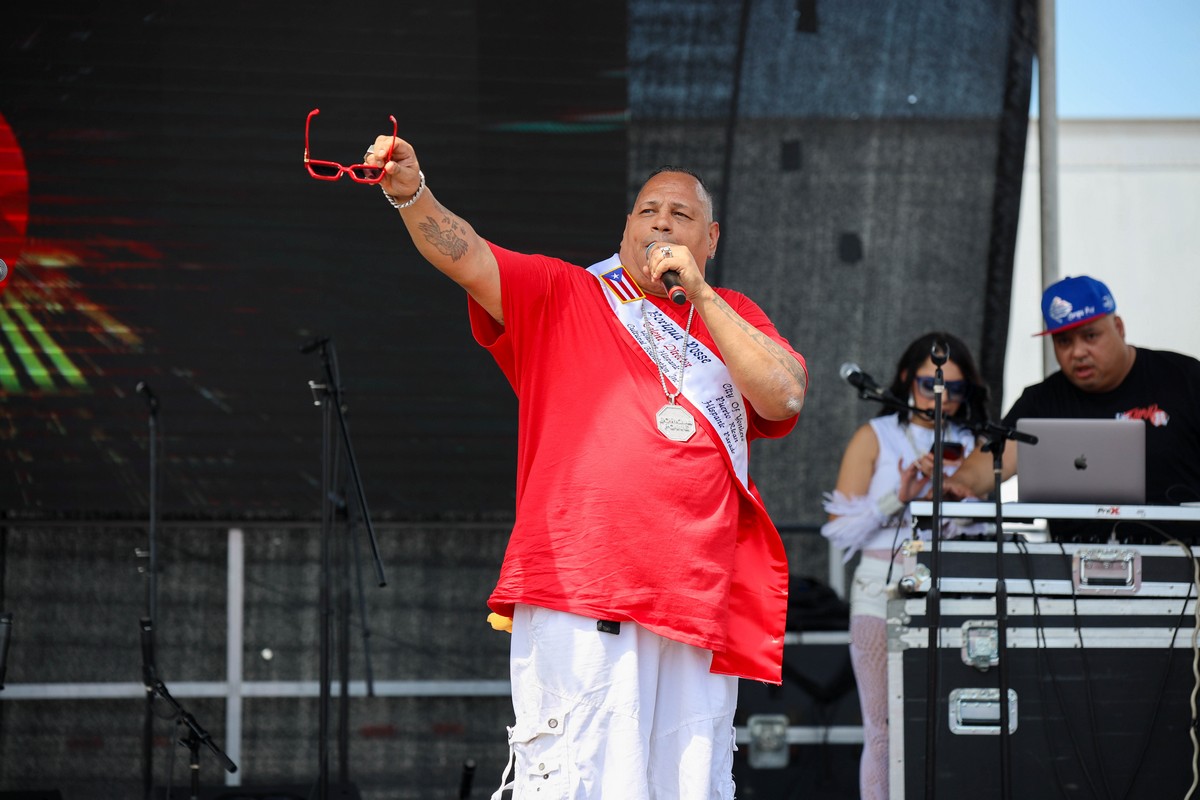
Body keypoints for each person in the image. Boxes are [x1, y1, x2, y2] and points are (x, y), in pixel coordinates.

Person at [354, 133, 808, 799]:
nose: (662, 223)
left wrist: (701, 295)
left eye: (681, 215)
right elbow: (468, 255)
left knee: (692, 788)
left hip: (695, 601)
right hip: (584, 584)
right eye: (648, 210)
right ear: (626, 228)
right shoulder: (565, 291)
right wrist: (412, 194)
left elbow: (784, 394)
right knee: (579, 783)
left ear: (710, 238)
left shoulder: (734, 315)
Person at [821, 332, 990, 800]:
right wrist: (899, 496)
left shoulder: (974, 443)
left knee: (950, 719)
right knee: (882, 727)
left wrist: (958, 500)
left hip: (953, 590)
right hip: (881, 587)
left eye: (955, 390)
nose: (941, 398)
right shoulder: (876, 435)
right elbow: (839, 528)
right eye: (929, 385)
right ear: (905, 379)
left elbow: (981, 529)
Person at [946, 276, 1200, 525]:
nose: (1077, 352)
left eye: (1090, 336)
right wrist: (958, 484)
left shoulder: (1185, 379)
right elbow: (997, 456)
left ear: (1119, 328)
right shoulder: (1041, 400)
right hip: (1073, 552)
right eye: (1064, 341)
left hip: (1183, 549)